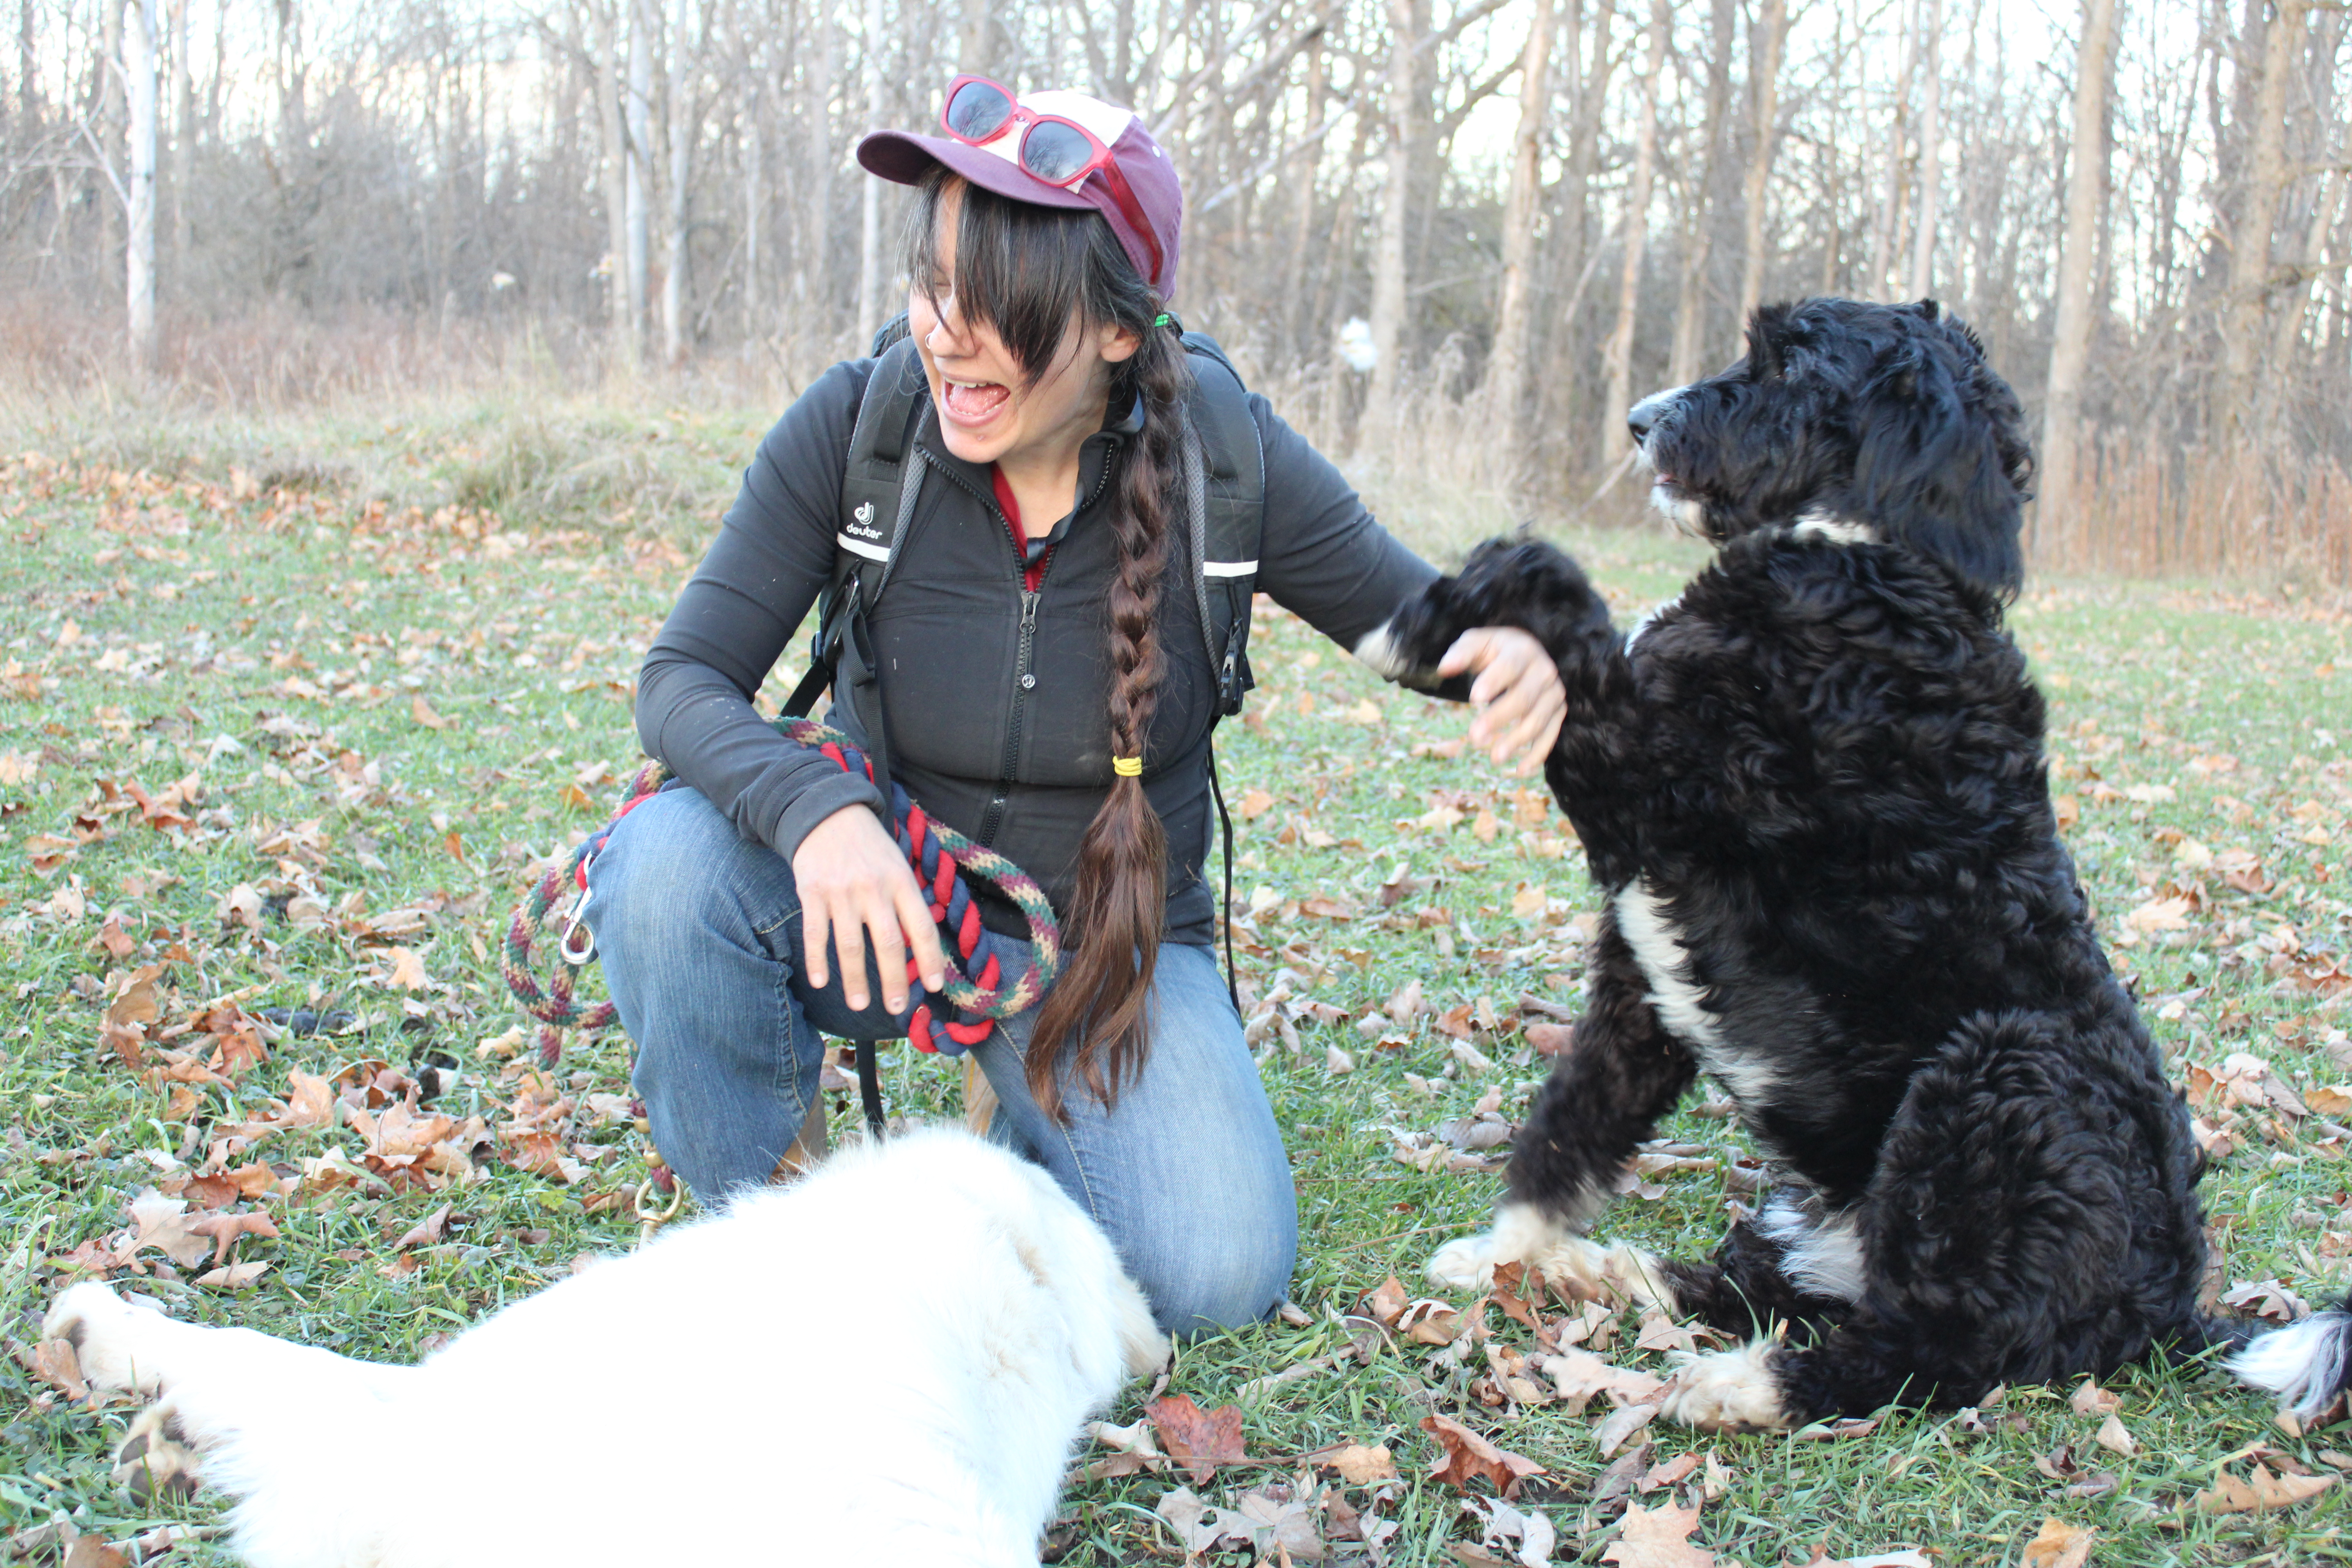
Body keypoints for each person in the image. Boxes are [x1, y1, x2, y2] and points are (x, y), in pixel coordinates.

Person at [584, 79, 1566, 1334]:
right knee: (664, 866)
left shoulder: (1222, 455)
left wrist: (1529, 649)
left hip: (1106, 946)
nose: (947, 333)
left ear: (1113, 329)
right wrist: (818, 815)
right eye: (933, 283)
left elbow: (1423, 625)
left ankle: (1026, 1122)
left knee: (1216, 1275)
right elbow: (680, 680)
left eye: (998, 302)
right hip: (889, 899)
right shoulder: (859, 427)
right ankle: (780, 1229)